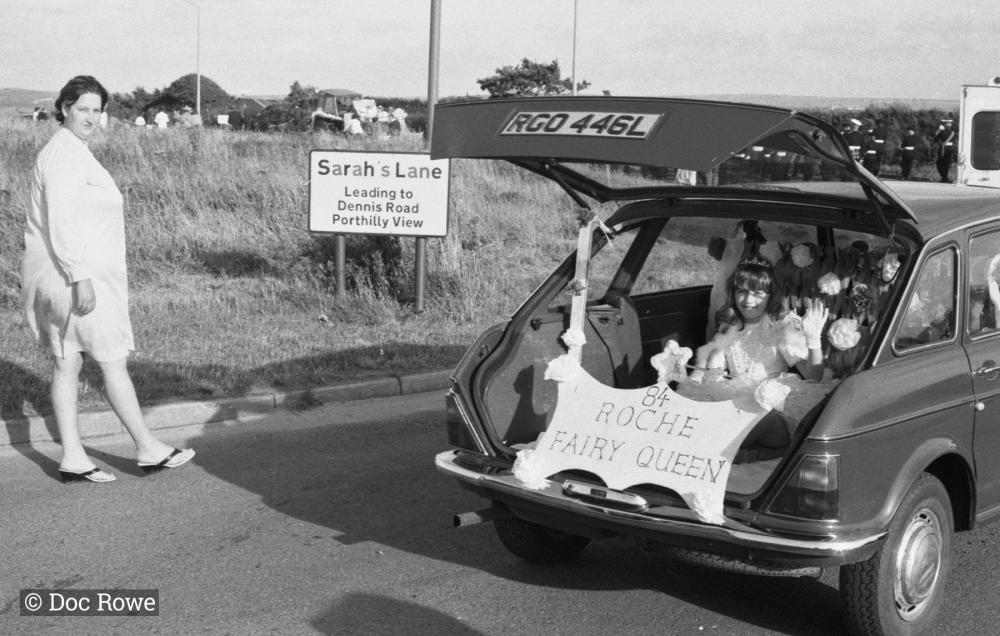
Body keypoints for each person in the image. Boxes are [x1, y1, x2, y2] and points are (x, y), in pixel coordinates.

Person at [21, 75, 194, 483]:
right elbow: (61, 222)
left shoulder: (68, 150)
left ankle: (75, 458)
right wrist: (80, 277)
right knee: (113, 361)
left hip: (60, 275)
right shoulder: (64, 153)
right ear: (63, 108)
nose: (90, 117)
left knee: (67, 365)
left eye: (97, 110)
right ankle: (148, 448)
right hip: (76, 278)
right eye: (82, 108)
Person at [686, 255, 827, 451]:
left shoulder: (781, 325)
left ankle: (708, 449)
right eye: (742, 291)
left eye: (758, 293)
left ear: (770, 295)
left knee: (754, 420)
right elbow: (711, 373)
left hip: (775, 410)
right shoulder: (729, 325)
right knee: (706, 415)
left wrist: (813, 339)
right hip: (736, 402)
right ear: (733, 293)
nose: (748, 300)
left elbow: (814, 375)